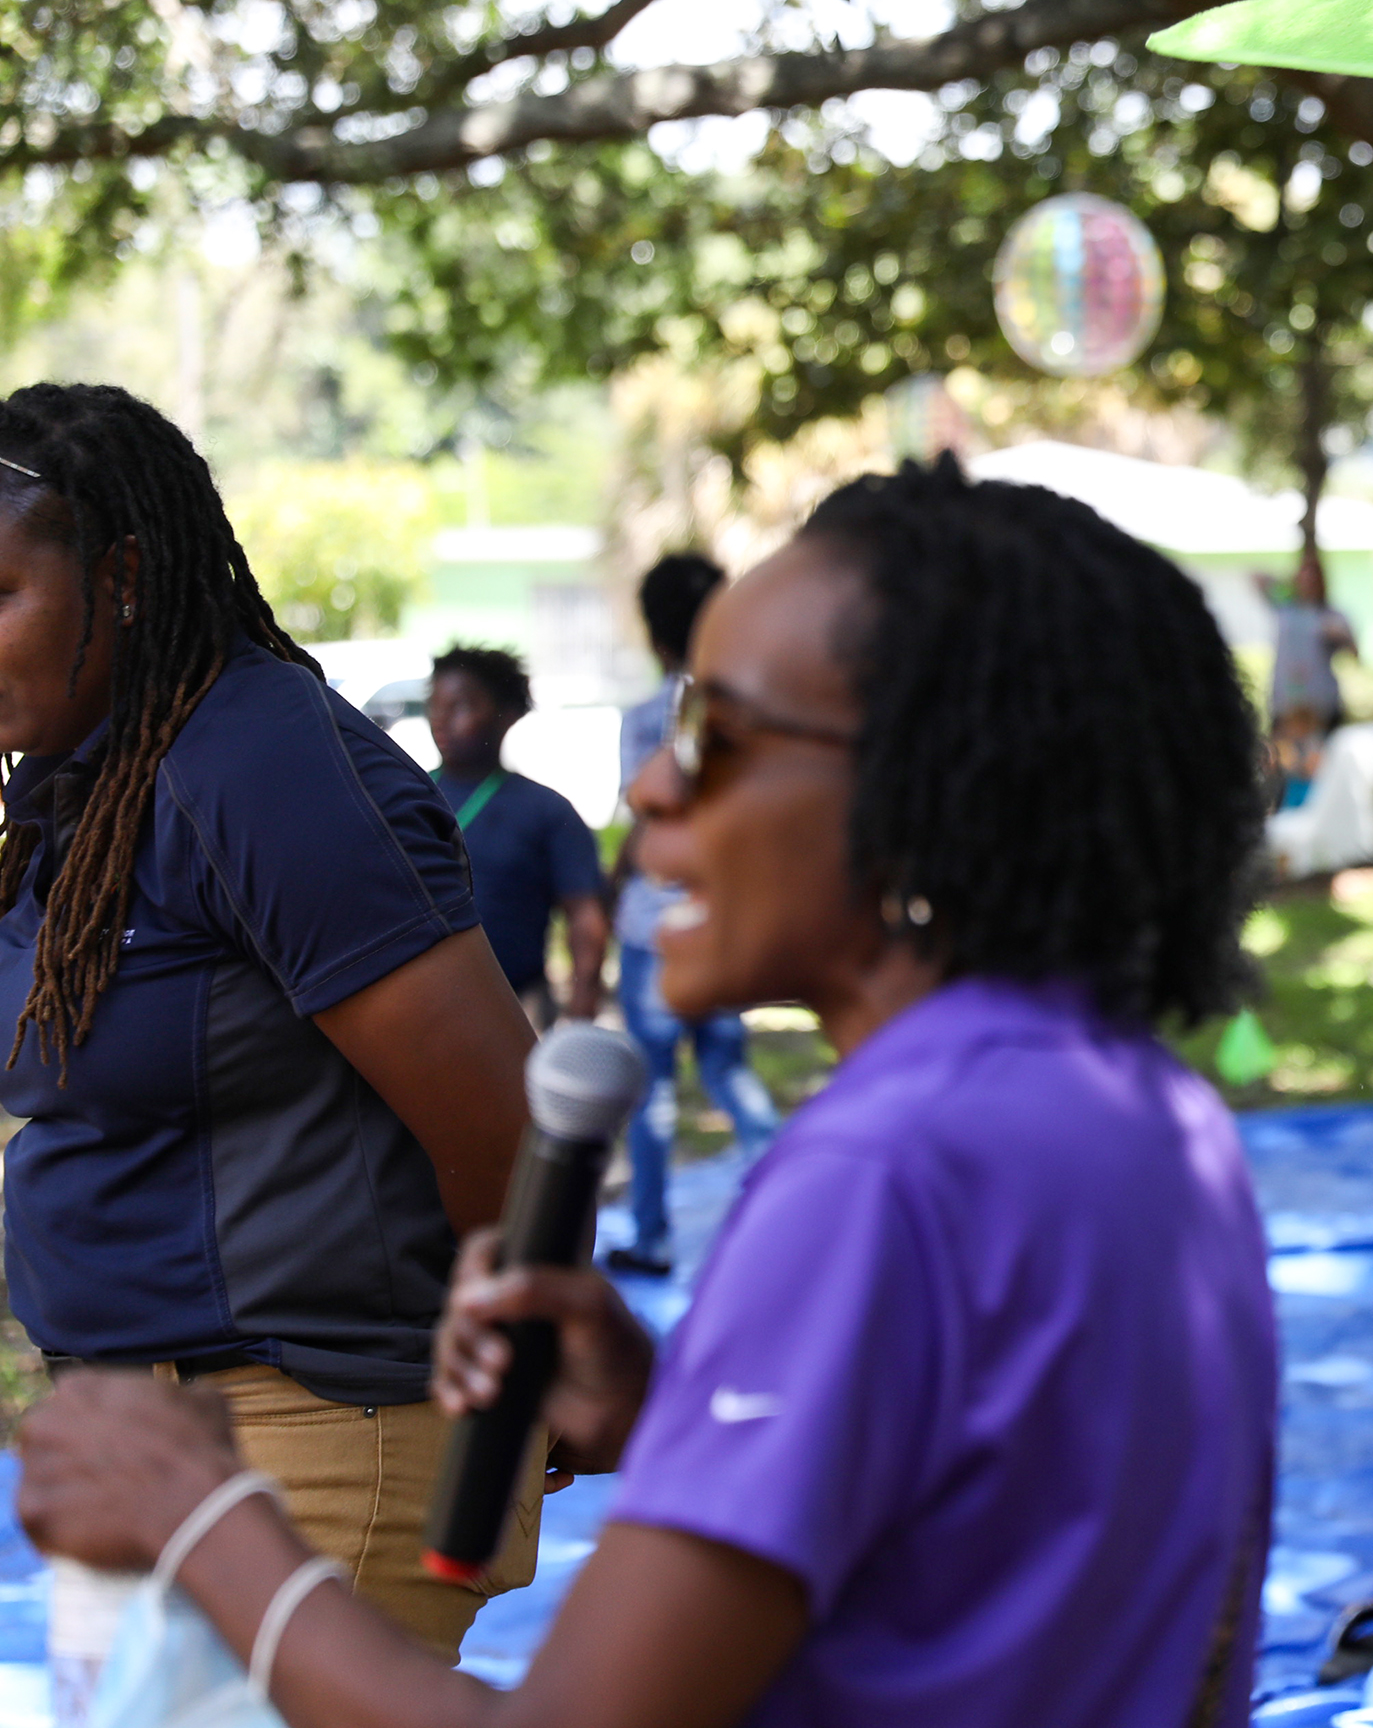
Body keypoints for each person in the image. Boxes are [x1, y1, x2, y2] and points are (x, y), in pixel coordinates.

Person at [19, 457, 1282, 1728]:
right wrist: (673, 1411)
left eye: (716, 736)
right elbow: (994, 1547)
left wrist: (208, 1518)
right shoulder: (1147, 1115)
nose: (652, 789)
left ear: (935, 782)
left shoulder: (882, 1170)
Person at [0, 383, 540, 1660]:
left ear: (125, 576)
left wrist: (512, 1388)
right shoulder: (76, 784)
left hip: (309, 1443)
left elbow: (505, 1133)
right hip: (151, 1451)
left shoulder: (256, 762)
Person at [603, 554, 775, 1278]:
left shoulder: (649, 719)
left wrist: (615, 891)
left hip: (655, 933)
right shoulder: (752, 716)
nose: (655, 795)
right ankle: (778, 1203)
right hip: (720, 917)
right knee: (730, 1073)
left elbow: (645, 833)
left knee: (654, 1097)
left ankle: (651, 1235)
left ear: (655, 636)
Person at [425, 646, 607, 1032]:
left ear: (506, 716)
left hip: (518, 1006)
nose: (441, 719)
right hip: (421, 1007)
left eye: (460, 706)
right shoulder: (405, 797)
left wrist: (583, 999)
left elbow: (584, 913)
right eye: (435, 704)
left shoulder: (546, 811)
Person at [1266, 549, 1355, 800]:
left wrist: (1340, 635)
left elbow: (1355, 653)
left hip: (1320, 710)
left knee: (1321, 773)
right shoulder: (1285, 610)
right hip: (1286, 708)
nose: (1308, 583)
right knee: (1283, 771)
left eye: (1312, 578)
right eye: (1303, 577)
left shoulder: (1331, 616)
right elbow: (1256, 578)